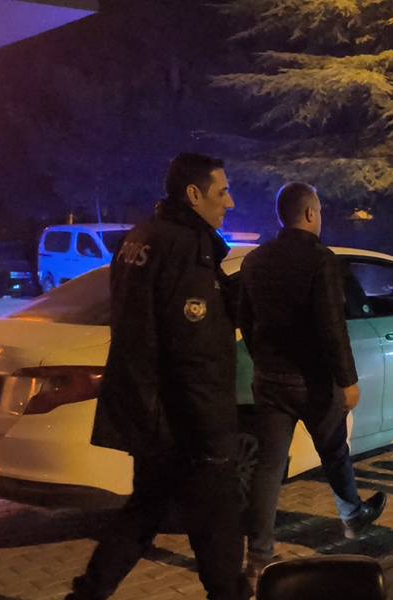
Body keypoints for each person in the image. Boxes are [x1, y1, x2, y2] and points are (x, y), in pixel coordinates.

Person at [66, 153, 250, 600]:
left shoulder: (142, 237)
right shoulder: (185, 246)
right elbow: (194, 351)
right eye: (222, 191)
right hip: (185, 423)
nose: (229, 202)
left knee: (144, 511)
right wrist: (215, 439)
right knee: (219, 528)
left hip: (151, 415)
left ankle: (86, 595)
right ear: (194, 194)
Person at [238, 183, 386, 579]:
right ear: (309, 214)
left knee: (269, 467)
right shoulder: (321, 260)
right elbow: (331, 325)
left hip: (270, 380)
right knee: (334, 450)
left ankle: (259, 555)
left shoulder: (255, 260)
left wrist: (262, 360)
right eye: (318, 211)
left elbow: (246, 320)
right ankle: (352, 515)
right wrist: (348, 380)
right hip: (314, 381)